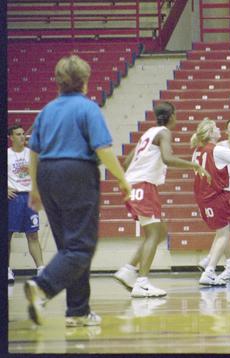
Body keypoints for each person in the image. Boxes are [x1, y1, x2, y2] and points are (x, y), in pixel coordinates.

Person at [24, 55, 131, 326]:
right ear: (85, 81)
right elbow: (103, 149)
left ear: (58, 82)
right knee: (81, 247)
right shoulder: (87, 108)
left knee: (69, 248)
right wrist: (122, 179)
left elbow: (33, 152)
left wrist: (34, 187)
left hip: (47, 174)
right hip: (77, 173)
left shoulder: (47, 110)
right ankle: (42, 286)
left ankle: (78, 311)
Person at [114, 102, 209, 297]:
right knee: (154, 233)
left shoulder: (148, 133)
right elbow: (167, 158)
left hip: (134, 185)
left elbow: (127, 161)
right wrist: (194, 165)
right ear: (171, 116)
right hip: (143, 185)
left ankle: (128, 270)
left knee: (160, 232)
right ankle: (141, 283)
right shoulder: (164, 132)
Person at [190, 118, 230, 286]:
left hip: (201, 197)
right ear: (210, 133)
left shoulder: (197, 151)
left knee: (222, 231)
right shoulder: (216, 150)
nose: (218, 129)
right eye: (215, 127)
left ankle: (213, 262)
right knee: (224, 234)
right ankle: (209, 271)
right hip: (214, 196)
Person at [8, 124, 45, 284]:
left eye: (23, 133)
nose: (22, 136)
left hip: (29, 197)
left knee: (33, 235)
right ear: (11, 137)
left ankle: (41, 269)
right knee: (7, 235)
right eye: (18, 134)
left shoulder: (32, 154)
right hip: (13, 199)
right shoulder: (7, 155)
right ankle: (6, 269)